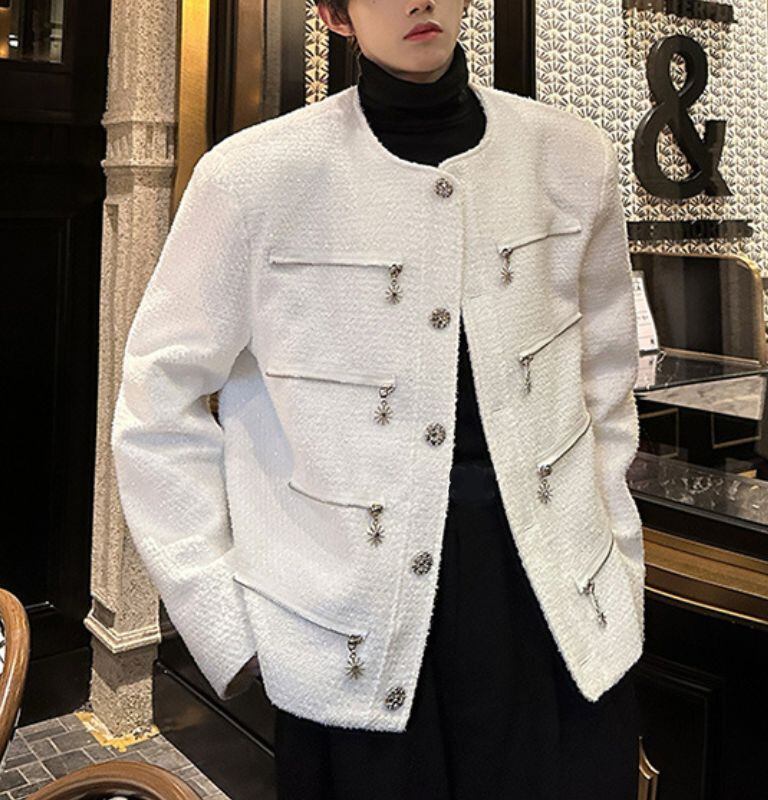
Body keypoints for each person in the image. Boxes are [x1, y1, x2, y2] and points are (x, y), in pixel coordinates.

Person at [111, 1, 646, 797]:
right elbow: (158, 404)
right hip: (346, 633)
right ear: (335, 14)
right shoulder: (253, 177)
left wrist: (623, 566)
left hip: (557, 615)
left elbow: (604, 385)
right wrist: (226, 619)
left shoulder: (571, 156)